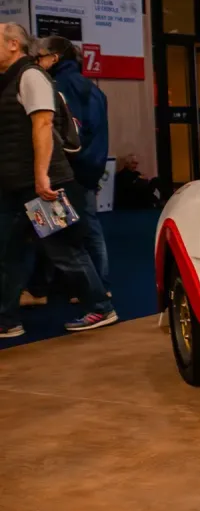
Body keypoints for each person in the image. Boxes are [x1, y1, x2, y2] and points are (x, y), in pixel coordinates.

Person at [0, 24, 115, 336]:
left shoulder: (31, 77)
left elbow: (43, 125)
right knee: (8, 252)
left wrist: (42, 178)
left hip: (42, 186)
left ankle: (100, 307)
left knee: (63, 250)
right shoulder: (9, 79)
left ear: (14, 44)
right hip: (13, 185)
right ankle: (6, 319)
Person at [22, 37, 111, 305]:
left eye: (40, 57)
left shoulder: (55, 86)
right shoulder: (92, 88)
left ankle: (77, 292)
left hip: (65, 168)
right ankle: (96, 287)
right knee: (83, 228)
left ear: (55, 57)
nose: (36, 62)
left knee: (56, 234)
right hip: (90, 165)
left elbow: (59, 130)